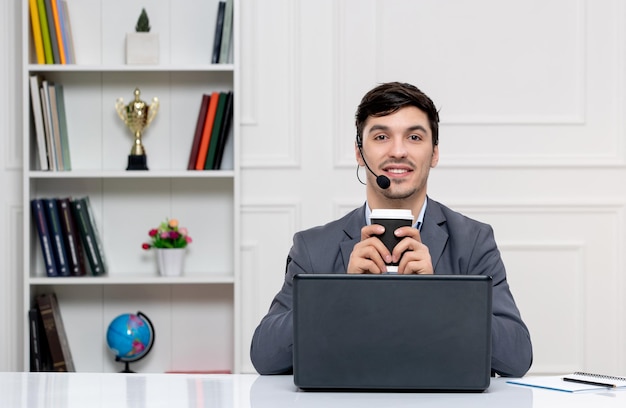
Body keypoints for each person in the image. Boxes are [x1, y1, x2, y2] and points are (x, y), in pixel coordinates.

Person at [250, 82, 533, 377]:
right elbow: (265, 356)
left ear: (434, 153)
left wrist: (442, 297)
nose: (398, 151)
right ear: (360, 153)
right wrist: (337, 294)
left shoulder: (474, 241)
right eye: (382, 136)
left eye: (414, 137)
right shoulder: (312, 247)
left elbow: (517, 358)